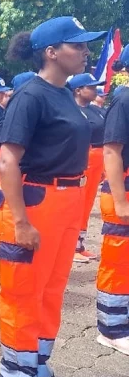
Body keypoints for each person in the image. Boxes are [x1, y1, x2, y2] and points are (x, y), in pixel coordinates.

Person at [0, 16, 106, 377]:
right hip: (36, 202)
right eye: (78, 45)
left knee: (51, 290)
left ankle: (37, 367)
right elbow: (8, 161)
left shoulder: (63, 94)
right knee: (24, 291)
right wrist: (20, 221)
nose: (86, 52)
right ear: (51, 52)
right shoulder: (32, 95)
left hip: (66, 203)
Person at [96, 48, 129, 356]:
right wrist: (120, 201)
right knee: (118, 262)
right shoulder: (124, 99)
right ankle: (111, 329)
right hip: (123, 191)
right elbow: (111, 152)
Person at [67, 73, 107, 263]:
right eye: (90, 87)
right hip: (82, 157)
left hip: (98, 157)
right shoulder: (71, 110)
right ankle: (71, 245)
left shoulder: (96, 110)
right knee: (76, 202)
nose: (95, 90)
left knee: (89, 202)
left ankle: (79, 243)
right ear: (78, 90)